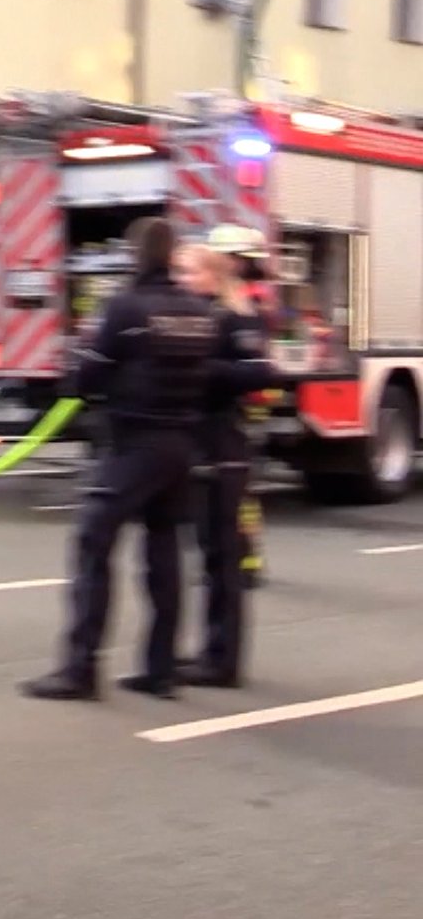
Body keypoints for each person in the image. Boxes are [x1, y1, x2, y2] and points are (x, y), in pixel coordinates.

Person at [21, 216, 218, 702]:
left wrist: (83, 375)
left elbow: (86, 379)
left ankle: (79, 669)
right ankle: (160, 669)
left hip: (135, 443)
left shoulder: (126, 308)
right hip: (181, 445)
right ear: (172, 256)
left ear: (135, 254)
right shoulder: (198, 311)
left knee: (93, 543)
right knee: (163, 553)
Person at [177, 231, 280, 687]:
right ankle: (209, 650)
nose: (181, 279)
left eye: (189, 271)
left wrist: (203, 370)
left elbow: (259, 372)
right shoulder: (202, 315)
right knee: (209, 555)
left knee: (223, 556)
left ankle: (222, 662)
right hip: (200, 444)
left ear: (214, 275)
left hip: (225, 445)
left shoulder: (239, 318)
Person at [211, 225, 276, 589]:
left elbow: (257, 365)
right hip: (233, 409)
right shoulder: (239, 299)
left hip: (237, 411)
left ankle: (245, 559)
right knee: (235, 488)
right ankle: (240, 557)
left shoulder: (242, 304)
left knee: (237, 488)